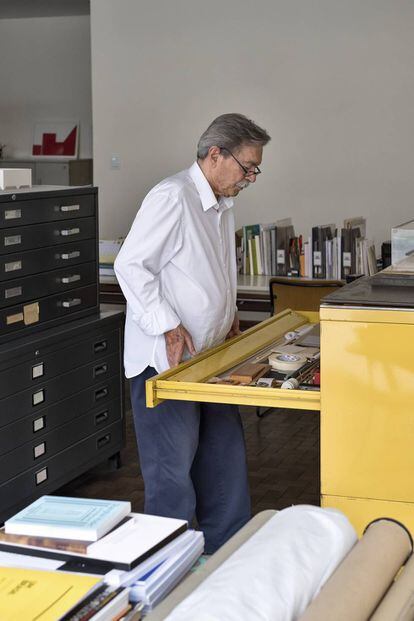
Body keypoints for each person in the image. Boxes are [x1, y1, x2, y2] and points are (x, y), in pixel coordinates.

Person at [114, 113, 271, 553]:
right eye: (248, 167)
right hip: (167, 364)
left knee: (225, 467)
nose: (251, 178)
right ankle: (172, 574)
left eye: (256, 169)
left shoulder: (221, 204)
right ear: (215, 154)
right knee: (172, 477)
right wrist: (166, 323)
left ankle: (227, 559)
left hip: (210, 360)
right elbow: (131, 265)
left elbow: (209, 270)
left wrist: (229, 311)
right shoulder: (173, 197)